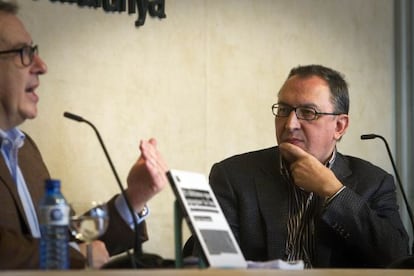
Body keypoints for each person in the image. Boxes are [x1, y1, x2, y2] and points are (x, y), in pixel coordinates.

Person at [0, 1, 168, 269]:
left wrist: (133, 198)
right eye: (23, 52)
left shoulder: (24, 149)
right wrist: (75, 256)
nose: (42, 66)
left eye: (34, 52)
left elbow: (70, 234)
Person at [204, 64, 409, 268]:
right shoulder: (233, 176)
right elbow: (213, 263)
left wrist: (335, 192)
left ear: (339, 126)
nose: (290, 124)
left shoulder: (374, 181)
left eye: (308, 112)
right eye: (284, 110)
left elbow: (397, 259)